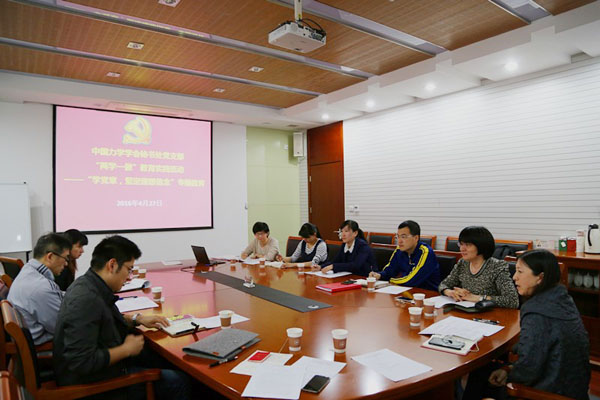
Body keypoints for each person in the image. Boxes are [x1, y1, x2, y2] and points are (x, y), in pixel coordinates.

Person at [53, 235, 191, 400]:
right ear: (112, 265)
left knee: (160, 359)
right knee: (179, 381)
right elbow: (81, 362)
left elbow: (103, 318)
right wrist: (125, 350)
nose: (129, 277)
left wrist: (137, 319)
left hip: (103, 368)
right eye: (129, 269)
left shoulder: (89, 284)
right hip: (93, 385)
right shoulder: (86, 300)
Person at [466, 250, 590, 400]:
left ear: (540, 277)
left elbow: (528, 369)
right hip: (573, 389)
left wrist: (509, 372)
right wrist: (509, 368)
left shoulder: (537, 311)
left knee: (480, 376)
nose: (514, 277)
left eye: (520, 271)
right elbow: (542, 351)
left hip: (547, 393)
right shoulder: (563, 299)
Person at [7, 233, 71, 345]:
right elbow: (65, 327)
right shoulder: (41, 288)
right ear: (50, 257)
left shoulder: (29, 271)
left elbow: (56, 295)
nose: (66, 263)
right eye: (65, 258)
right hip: (44, 348)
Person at [438, 226, 518, 309]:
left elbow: (512, 300)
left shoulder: (497, 266)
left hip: (489, 313)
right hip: (465, 310)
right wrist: (450, 292)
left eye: (468, 245)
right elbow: (443, 284)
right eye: (461, 244)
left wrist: (478, 298)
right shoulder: (462, 263)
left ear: (481, 246)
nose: (462, 249)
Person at [368, 220, 440, 290]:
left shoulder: (425, 252)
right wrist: (379, 275)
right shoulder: (399, 249)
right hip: (406, 291)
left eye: (403, 237)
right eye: (398, 237)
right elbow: (390, 270)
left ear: (416, 238)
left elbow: (411, 280)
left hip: (428, 293)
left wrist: (390, 281)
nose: (399, 241)